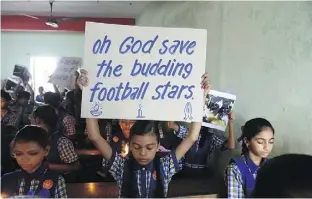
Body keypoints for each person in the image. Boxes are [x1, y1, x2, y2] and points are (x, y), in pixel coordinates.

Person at [78, 69, 209, 197]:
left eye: (149, 147)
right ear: (129, 144)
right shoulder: (120, 166)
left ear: (158, 145)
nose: (142, 153)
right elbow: (95, 137)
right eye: (136, 147)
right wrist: (88, 94)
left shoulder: (165, 165)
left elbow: (192, 137)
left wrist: (200, 99)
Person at [1, 125, 67, 198]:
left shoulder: (55, 180)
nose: (24, 159)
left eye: (32, 153)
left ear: (46, 150)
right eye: (18, 153)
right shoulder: (6, 180)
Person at [170, 112, 235, 177]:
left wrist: (231, 123)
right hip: (183, 173)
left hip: (201, 176)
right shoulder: (188, 132)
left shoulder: (211, 137)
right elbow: (171, 125)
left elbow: (231, 146)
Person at [224, 118, 275, 198]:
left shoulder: (273, 167)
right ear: (247, 141)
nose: (267, 147)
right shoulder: (235, 169)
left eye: (271, 142)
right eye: (260, 142)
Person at [31, 105, 80, 173]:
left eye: (32, 118)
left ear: (37, 120)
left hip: (57, 179)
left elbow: (75, 166)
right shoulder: (32, 137)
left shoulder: (61, 142)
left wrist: (48, 166)